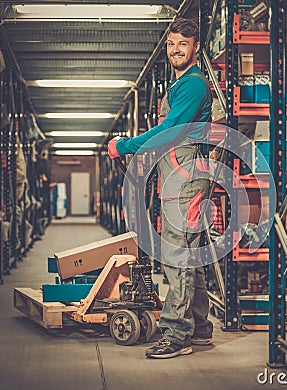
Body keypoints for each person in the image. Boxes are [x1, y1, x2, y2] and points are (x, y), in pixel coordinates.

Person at [108, 18, 214, 359]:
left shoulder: (193, 84)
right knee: (189, 254)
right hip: (177, 177)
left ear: (195, 48)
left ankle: (176, 334)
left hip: (186, 180)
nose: (175, 50)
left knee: (177, 255)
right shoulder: (181, 84)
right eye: (171, 44)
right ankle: (199, 328)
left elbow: (170, 130)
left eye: (182, 44)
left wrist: (126, 145)